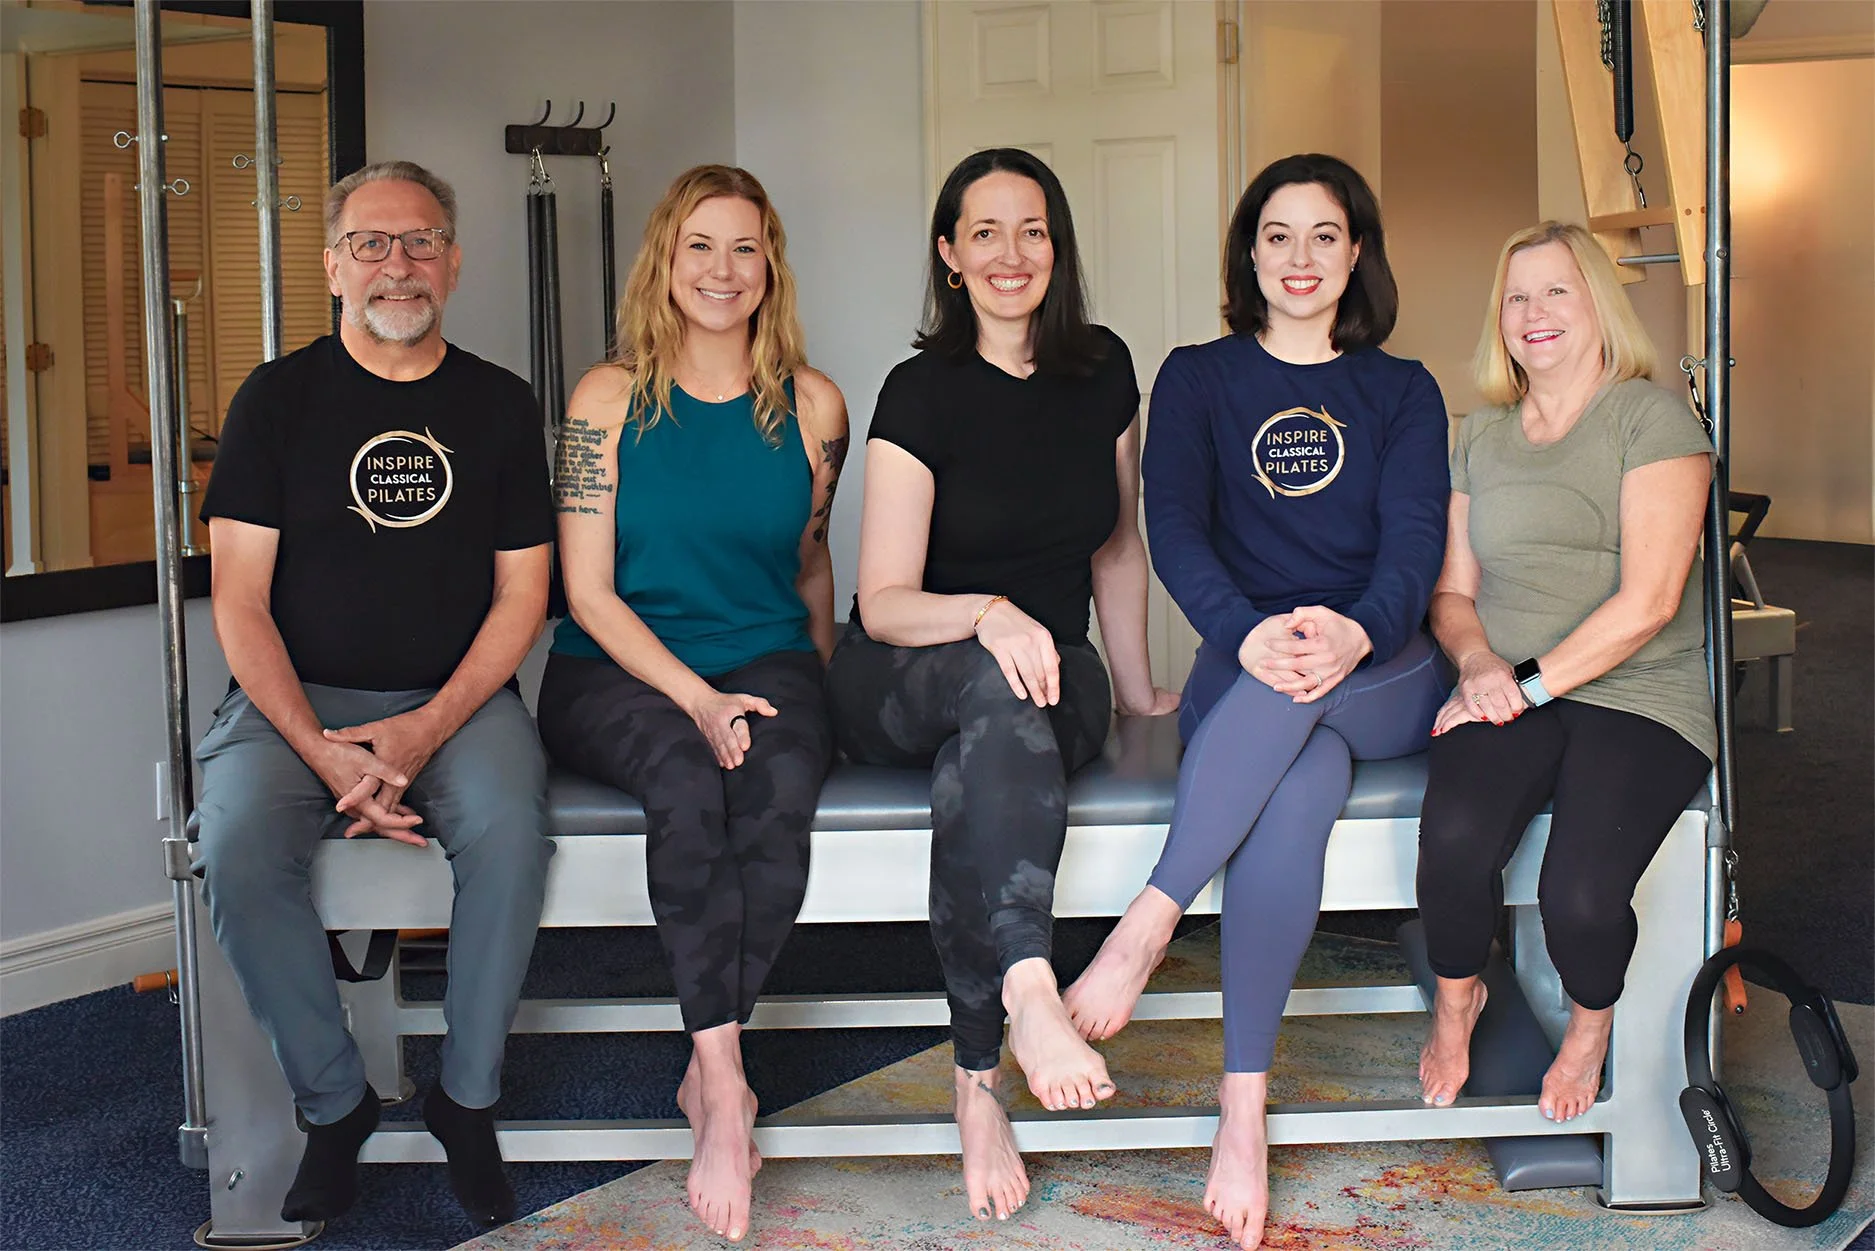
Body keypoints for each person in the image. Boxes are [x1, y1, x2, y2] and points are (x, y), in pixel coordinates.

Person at [1061, 153, 1450, 1250]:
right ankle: (1243, 1107)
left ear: (1357, 253)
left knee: (1304, 715)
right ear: (1249, 252)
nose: (1299, 257)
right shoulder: (1198, 378)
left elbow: (1415, 540)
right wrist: (1246, 634)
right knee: (1299, 780)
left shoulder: (1402, 390)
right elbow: (1175, 529)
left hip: (1381, 666)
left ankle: (1148, 920)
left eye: (1324, 235)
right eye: (1277, 235)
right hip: (1246, 663)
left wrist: (1356, 628)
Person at [193, 160, 555, 1231]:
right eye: (371, 243)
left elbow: (524, 594)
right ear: (332, 266)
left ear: (454, 260)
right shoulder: (275, 400)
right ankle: (335, 1101)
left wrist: (425, 728)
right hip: (292, 701)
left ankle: (465, 1099)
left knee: (510, 833)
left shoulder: (500, 403)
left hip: (458, 701)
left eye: (421, 241)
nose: (398, 265)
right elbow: (239, 601)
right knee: (235, 843)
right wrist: (325, 748)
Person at [824, 147, 1178, 1226]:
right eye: (984, 232)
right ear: (950, 254)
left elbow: (1117, 546)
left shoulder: (1103, 369)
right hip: (901, 671)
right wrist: (986, 611)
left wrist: (1137, 692)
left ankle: (978, 1083)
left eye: (1032, 230)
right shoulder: (920, 391)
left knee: (975, 768)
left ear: (1057, 248)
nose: (1009, 253)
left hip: (1041, 679)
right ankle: (1031, 986)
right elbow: (885, 599)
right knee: (993, 685)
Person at [535, 164, 847, 1245]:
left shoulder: (814, 406)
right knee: (683, 779)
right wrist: (698, 699)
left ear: (771, 266)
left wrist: (815, 687)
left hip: (766, 652)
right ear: (664, 261)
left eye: (744, 247)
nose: (722, 269)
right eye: (699, 246)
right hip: (613, 667)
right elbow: (586, 591)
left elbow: (811, 562)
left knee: (780, 783)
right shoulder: (604, 399)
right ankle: (724, 1080)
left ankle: (708, 1059)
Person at [1414, 221, 1714, 1125]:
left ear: (1596, 303)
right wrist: (1478, 665)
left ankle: (1590, 1024)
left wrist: (1527, 684)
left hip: (1639, 693)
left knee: (1577, 897)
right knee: (1453, 844)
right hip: (1506, 683)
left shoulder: (1650, 418)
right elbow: (1452, 591)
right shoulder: (1481, 435)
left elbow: (1650, 601)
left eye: (1555, 290)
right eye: (1515, 296)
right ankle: (1457, 997)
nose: (1532, 312)